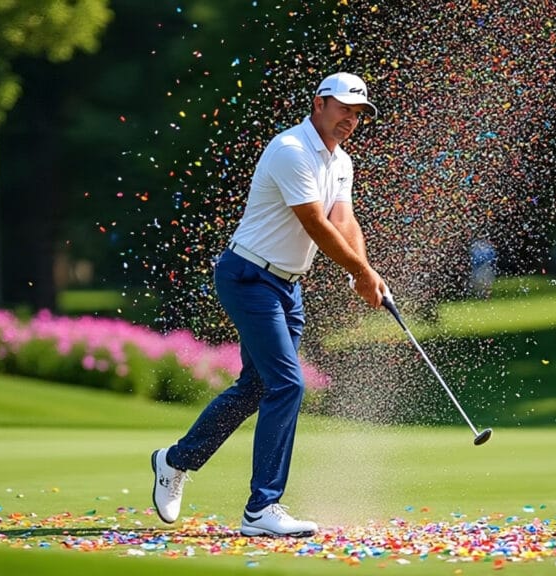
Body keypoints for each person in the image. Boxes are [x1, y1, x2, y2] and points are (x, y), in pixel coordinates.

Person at [150, 72, 388, 538]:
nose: (351, 120)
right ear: (319, 103)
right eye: (344, 108)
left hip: (286, 286)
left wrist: (365, 268)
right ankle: (263, 507)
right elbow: (317, 225)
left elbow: (345, 220)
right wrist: (360, 273)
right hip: (248, 276)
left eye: (359, 114)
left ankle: (175, 460)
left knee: (256, 387)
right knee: (287, 384)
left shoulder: (342, 163)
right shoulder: (290, 150)